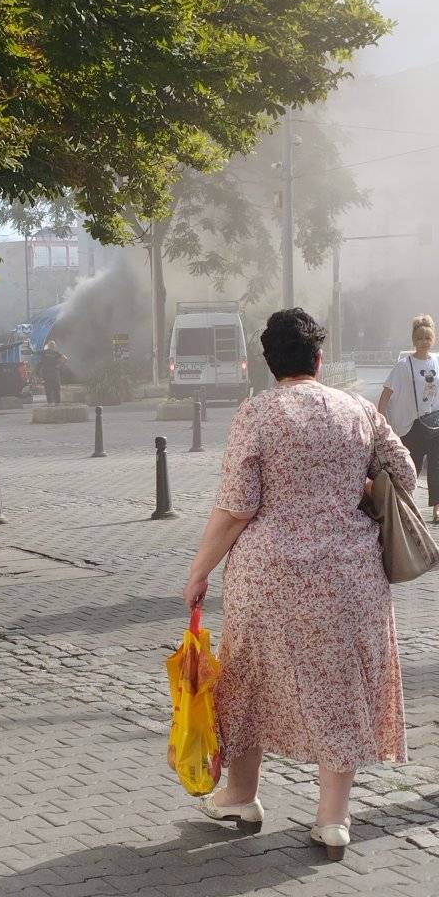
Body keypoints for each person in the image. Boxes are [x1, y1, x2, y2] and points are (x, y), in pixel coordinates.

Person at [183, 308, 417, 861]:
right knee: (342, 684)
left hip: (269, 578)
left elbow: (237, 506)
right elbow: (404, 475)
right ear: (317, 357)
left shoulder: (256, 415)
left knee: (249, 680)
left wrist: (199, 570)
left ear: (270, 363)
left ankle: (240, 796)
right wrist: (352, 485)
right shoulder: (357, 409)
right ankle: (333, 820)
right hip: (350, 577)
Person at [378, 314, 439, 522]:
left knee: (437, 465)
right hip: (412, 425)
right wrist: (382, 423)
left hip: (436, 422)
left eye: (428, 338)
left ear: (434, 339)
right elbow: (386, 394)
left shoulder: (438, 362)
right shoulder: (404, 365)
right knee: (412, 465)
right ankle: (407, 503)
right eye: (420, 338)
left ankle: (437, 508)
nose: (424, 342)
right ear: (414, 339)